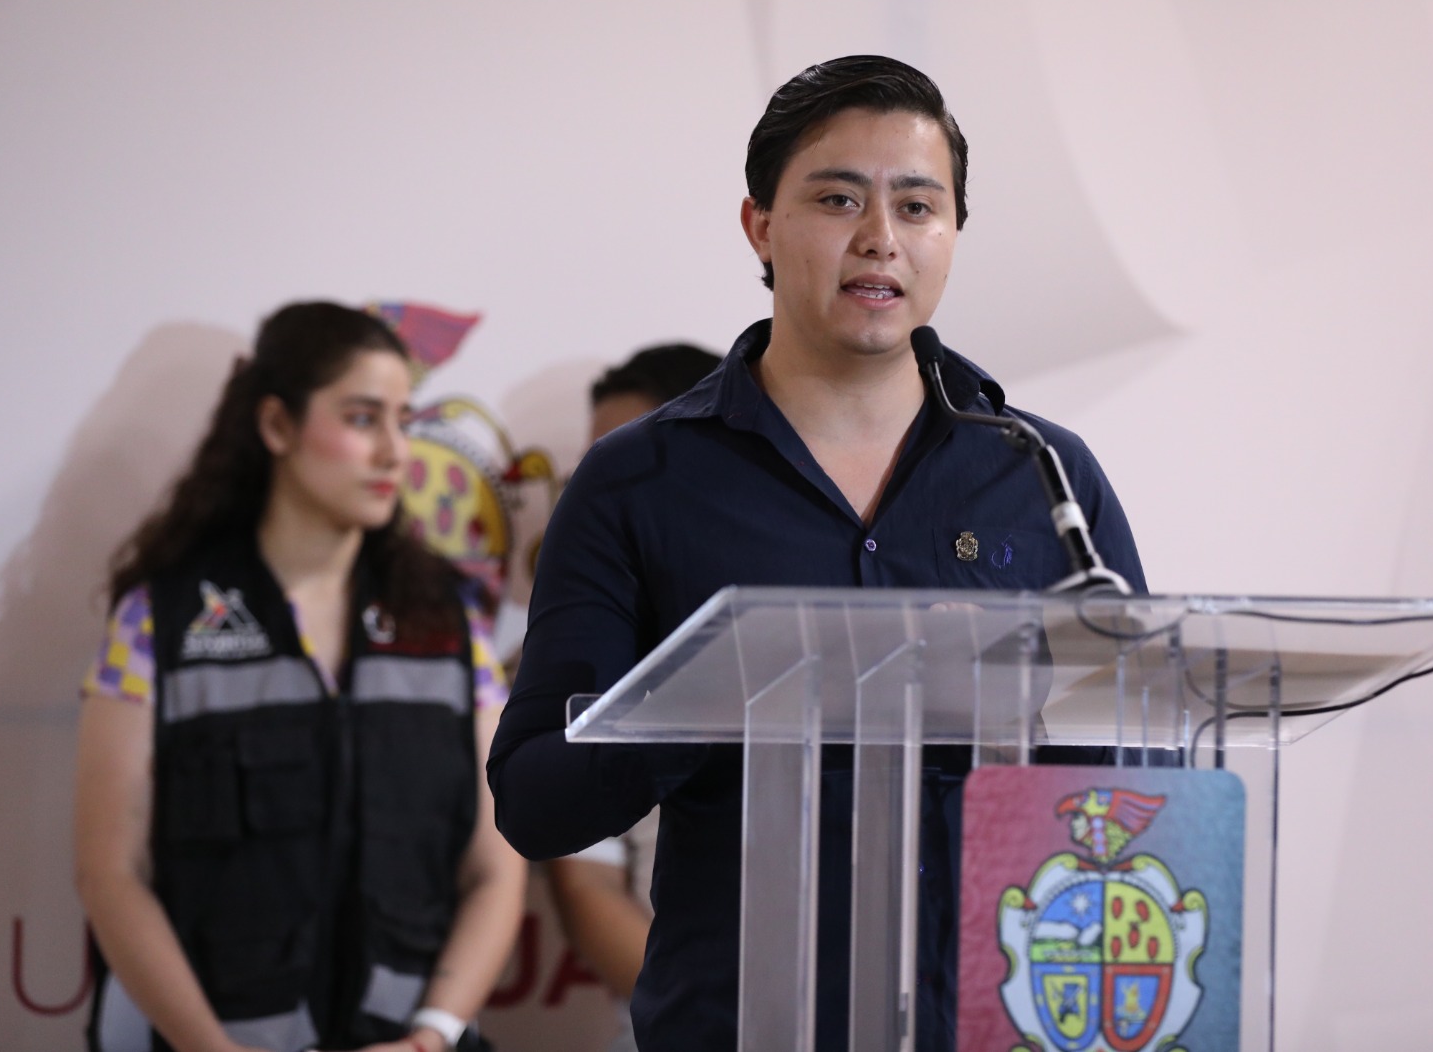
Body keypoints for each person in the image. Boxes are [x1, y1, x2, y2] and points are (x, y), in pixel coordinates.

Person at [488, 56, 1146, 1051]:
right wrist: (710, 693)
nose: (880, 236)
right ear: (758, 225)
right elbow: (535, 800)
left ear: (953, 233)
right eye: (839, 199)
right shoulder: (637, 482)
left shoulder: (1041, 473)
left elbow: (1139, 757)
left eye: (917, 207)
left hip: (999, 1020)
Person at [74, 301, 528, 1052]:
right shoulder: (161, 620)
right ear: (277, 426)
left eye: (403, 421)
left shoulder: (449, 627)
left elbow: (496, 868)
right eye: (362, 419)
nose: (395, 452)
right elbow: (111, 873)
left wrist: (432, 1035)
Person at [543, 342, 722, 1052]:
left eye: (624, 467)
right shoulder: (584, 660)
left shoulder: (834, 613)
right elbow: (589, 896)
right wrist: (722, 1019)